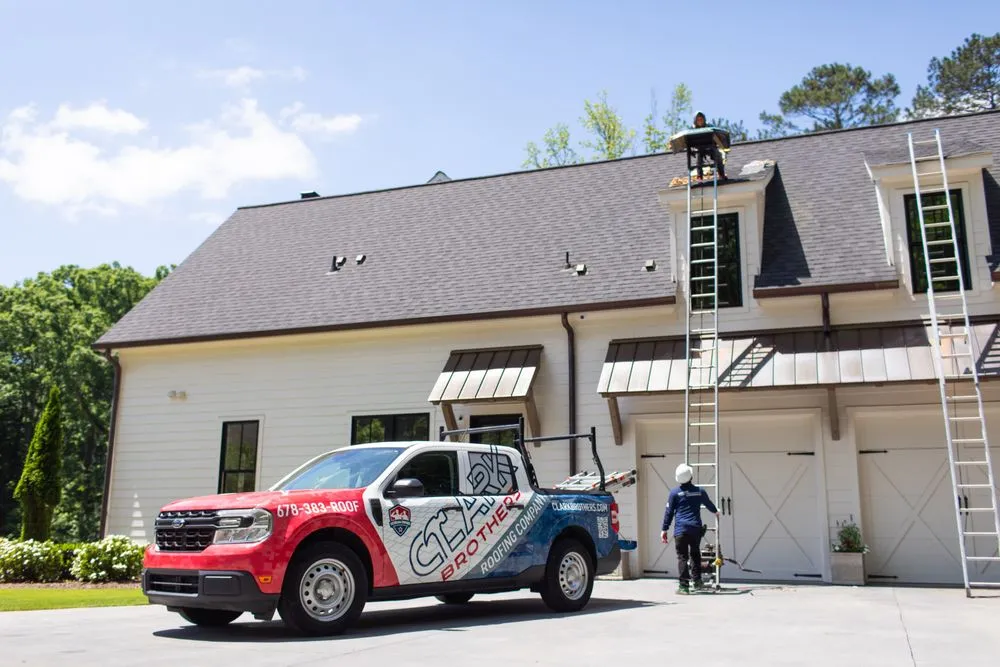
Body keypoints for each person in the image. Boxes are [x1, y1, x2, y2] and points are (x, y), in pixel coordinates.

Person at [661, 462, 720, 593]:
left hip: (680, 530)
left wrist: (664, 529)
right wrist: (716, 511)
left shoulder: (674, 493)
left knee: (682, 557)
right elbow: (709, 504)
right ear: (691, 477)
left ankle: (684, 587)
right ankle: (697, 581)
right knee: (695, 555)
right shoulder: (700, 491)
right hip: (695, 529)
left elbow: (669, 512)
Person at [691, 111, 727, 181]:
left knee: (718, 156)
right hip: (700, 148)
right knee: (699, 160)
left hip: (711, 147)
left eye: (701, 119)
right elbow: (688, 139)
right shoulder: (692, 129)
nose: (700, 121)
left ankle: (721, 174)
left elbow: (717, 133)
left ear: (704, 119)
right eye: (698, 120)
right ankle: (699, 176)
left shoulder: (709, 126)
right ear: (695, 121)